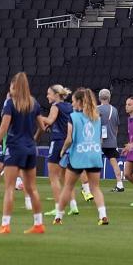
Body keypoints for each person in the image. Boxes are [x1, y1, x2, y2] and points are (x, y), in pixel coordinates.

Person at [0, 72, 48, 235]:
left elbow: (4, 128)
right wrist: (34, 137)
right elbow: (42, 127)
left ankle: (5, 225)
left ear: (14, 86)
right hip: (30, 149)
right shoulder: (33, 103)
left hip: (14, 148)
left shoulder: (10, 103)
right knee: (32, 188)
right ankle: (38, 224)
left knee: (9, 188)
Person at [54, 88, 110, 225]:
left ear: (79, 102)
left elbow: (69, 139)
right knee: (95, 188)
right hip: (94, 155)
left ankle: (58, 217)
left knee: (68, 186)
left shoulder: (73, 117)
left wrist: (62, 150)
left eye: (73, 101)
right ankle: (103, 216)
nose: (72, 104)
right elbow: (100, 138)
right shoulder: (97, 117)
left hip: (78, 156)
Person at [41, 85, 77, 217]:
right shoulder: (69, 106)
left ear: (56, 94)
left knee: (54, 177)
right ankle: (73, 206)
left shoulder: (55, 106)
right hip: (68, 141)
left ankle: (58, 207)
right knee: (66, 177)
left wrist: (37, 116)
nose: (47, 96)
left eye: (49, 93)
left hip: (57, 142)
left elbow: (50, 120)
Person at [97, 89, 125, 194]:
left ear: (99, 98)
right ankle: (120, 184)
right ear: (109, 97)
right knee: (114, 163)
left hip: (98, 142)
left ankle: (90, 185)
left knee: (94, 164)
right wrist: (113, 137)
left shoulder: (96, 109)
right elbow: (116, 128)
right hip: (112, 141)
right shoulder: (115, 110)